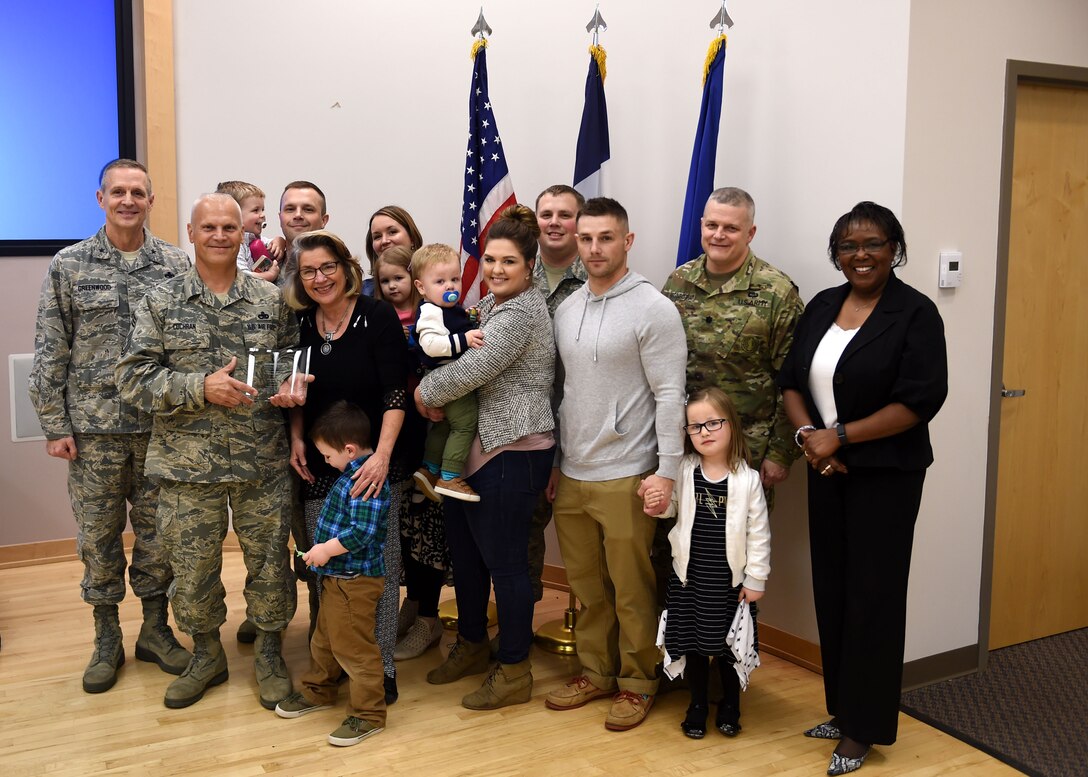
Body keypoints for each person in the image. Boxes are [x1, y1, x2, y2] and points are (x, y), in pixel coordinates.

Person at [778, 202, 947, 775]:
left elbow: (920, 400)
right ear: (837, 253)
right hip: (825, 470)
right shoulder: (824, 305)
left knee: (872, 598)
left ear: (894, 248)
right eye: (848, 246)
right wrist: (809, 438)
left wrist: (840, 437)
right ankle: (844, 708)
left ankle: (865, 728)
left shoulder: (915, 313)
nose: (860, 255)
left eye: (873, 243)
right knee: (833, 589)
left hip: (885, 477)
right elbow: (792, 382)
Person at [115, 193, 299, 710]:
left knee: (269, 564)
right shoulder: (161, 299)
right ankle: (206, 654)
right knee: (192, 567)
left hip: (260, 458)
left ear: (242, 234)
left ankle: (268, 652)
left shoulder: (271, 300)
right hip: (185, 464)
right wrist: (199, 386)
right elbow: (131, 378)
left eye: (230, 227)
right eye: (209, 227)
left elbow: (287, 365)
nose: (220, 235)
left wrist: (292, 384)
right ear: (191, 234)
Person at [29, 158, 192, 695]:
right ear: (100, 199)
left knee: (158, 536)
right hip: (93, 432)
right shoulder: (69, 264)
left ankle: (153, 630)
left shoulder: (173, 263)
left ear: (150, 200)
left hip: (158, 428)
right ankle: (105, 638)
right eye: (117, 192)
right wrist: (54, 424)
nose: (128, 200)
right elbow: (52, 348)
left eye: (138, 192)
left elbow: (186, 343)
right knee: (98, 539)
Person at [545, 197, 687, 731]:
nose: (594, 248)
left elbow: (671, 395)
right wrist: (557, 461)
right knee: (586, 587)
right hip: (575, 470)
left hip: (629, 472)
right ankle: (597, 671)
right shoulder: (567, 309)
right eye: (586, 238)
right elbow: (563, 393)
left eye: (606, 238)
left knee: (632, 590)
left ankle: (637, 682)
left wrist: (666, 473)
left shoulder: (653, 308)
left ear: (627, 242)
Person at [415, 204, 555, 710]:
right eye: (490, 259)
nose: (496, 269)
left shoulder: (521, 311)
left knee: (507, 566)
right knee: (468, 561)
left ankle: (514, 668)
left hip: (512, 452)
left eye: (509, 262)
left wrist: (423, 391)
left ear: (530, 267)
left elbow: (475, 368)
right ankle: (472, 643)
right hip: (473, 455)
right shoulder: (492, 305)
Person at [279, 229, 412, 705]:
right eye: (309, 270)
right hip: (318, 467)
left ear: (346, 267)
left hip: (373, 467)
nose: (320, 278)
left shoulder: (375, 316)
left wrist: (381, 455)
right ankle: (332, 666)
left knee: (376, 569)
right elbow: (298, 392)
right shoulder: (300, 324)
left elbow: (396, 393)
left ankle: (382, 670)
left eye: (328, 267)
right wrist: (296, 436)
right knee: (329, 571)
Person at [643, 387, 770, 741]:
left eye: (713, 423)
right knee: (694, 647)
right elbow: (670, 510)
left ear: (732, 425)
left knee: (728, 651)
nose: (705, 432)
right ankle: (697, 704)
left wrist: (756, 578)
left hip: (728, 584)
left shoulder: (748, 479)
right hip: (690, 579)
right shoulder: (684, 470)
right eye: (695, 426)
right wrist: (656, 502)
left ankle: (731, 705)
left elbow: (759, 534)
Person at [662, 187, 804, 494]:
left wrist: (780, 453)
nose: (719, 235)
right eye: (712, 226)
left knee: (739, 540)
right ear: (701, 225)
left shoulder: (777, 292)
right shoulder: (677, 283)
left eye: (731, 228)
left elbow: (792, 379)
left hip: (746, 451)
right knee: (675, 538)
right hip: (683, 448)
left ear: (750, 232)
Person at [275, 401, 390, 748]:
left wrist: (326, 549)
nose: (326, 461)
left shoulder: (366, 480)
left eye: (327, 455)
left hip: (355, 583)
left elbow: (362, 533)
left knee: (354, 648)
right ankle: (318, 690)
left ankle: (369, 713)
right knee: (323, 640)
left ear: (349, 449)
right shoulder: (349, 475)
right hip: (337, 579)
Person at [363, 206, 449, 663]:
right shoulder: (372, 313)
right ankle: (410, 609)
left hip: (429, 435)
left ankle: (429, 617)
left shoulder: (437, 310)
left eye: (390, 231)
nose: (382, 239)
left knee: (426, 529)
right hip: (388, 437)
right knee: (399, 533)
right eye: (374, 234)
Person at [526, 184, 588, 602]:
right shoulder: (512, 271)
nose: (553, 222)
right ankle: (519, 635)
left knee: (586, 546)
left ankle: (597, 645)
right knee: (524, 536)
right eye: (546, 214)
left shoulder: (597, 278)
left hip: (582, 430)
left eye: (564, 214)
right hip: (524, 428)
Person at [411, 243, 484, 502]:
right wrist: (464, 339)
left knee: (443, 426)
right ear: (421, 287)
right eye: (440, 281)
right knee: (464, 425)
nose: (450, 286)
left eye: (454, 279)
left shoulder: (449, 310)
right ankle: (450, 476)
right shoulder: (430, 311)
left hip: (445, 378)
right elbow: (431, 346)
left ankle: (429, 469)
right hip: (447, 378)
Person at [215, 180, 279, 283]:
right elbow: (242, 277)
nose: (262, 215)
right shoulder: (234, 246)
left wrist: (278, 241)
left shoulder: (255, 238)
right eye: (256, 210)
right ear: (234, 215)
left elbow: (272, 243)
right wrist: (269, 276)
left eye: (262, 209)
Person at [365, 205, 424, 299]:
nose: (384, 241)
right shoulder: (364, 293)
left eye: (392, 232)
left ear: (412, 238)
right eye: (377, 236)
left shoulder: (438, 284)